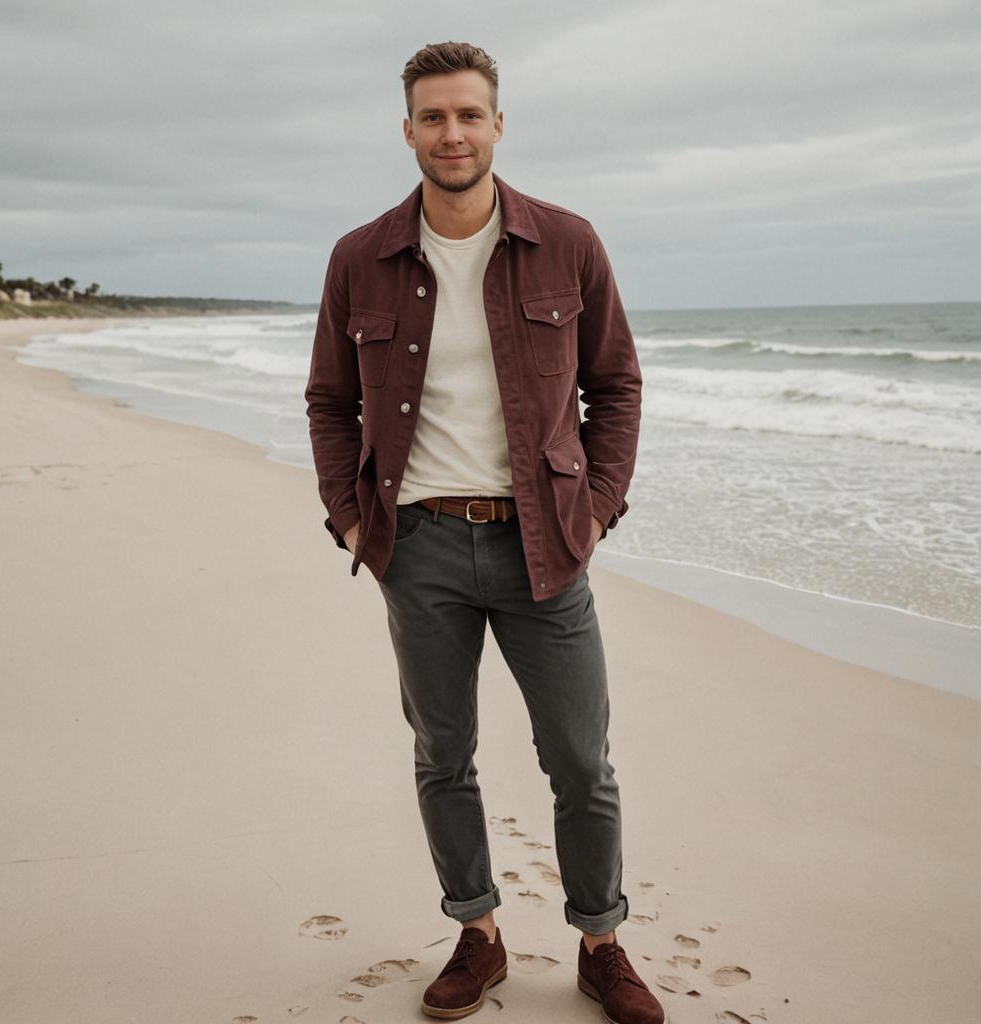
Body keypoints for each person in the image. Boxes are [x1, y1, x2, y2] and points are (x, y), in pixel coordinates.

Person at [305, 40, 665, 1024]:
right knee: (442, 752)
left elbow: (617, 385)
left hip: (544, 544)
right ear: (408, 129)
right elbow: (330, 401)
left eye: (469, 114)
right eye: (432, 116)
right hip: (415, 544)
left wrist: (595, 508)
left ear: (497, 125)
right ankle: (478, 931)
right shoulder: (360, 256)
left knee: (580, 760)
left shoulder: (569, 242)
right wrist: (349, 514)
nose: (451, 132)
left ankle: (600, 939)